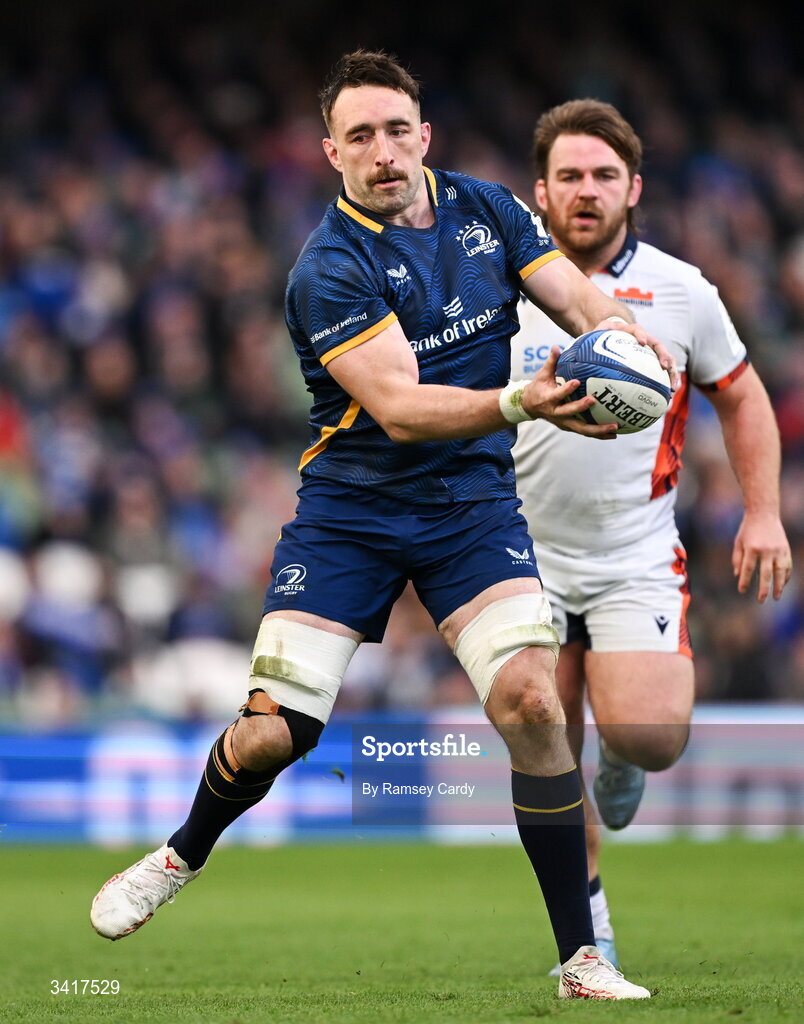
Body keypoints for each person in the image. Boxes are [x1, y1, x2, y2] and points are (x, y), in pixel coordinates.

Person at [90, 53, 676, 1000]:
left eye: (397, 128)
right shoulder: (328, 269)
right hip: (351, 514)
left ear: (424, 134)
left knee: (531, 703)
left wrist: (626, 344)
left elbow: (575, 297)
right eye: (359, 136)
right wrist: (530, 400)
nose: (383, 150)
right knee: (274, 737)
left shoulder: (486, 209)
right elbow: (402, 408)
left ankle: (581, 956)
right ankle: (180, 854)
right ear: (330, 153)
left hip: (470, 507)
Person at [509, 98, 793, 971]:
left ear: (634, 187)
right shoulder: (496, 283)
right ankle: (588, 925)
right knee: (541, 734)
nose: (585, 192)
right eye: (569, 177)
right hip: (516, 556)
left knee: (649, 736)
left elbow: (742, 395)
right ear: (541, 192)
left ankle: (624, 760)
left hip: (633, 554)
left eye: (602, 176)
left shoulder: (680, 289)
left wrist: (763, 510)